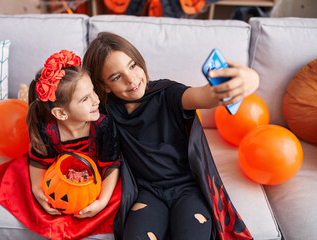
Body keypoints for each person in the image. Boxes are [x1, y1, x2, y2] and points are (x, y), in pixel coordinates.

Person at [83, 32, 259, 240]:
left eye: (132, 66)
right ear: (104, 86)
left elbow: (204, 96)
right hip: (147, 193)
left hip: (187, 189)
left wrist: (251, 78)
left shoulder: (168, 93)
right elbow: (65, 103)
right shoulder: (105, 112)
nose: (131, 80)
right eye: (116, 77)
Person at [0, 49, 122, 240]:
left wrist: (102, 201)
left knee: (121, 201)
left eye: (93, 92)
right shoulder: (48, 130)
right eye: (85, 99)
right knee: (33, 200)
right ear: (61, 114)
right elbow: (39, 162)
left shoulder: (103, 123)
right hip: (58, 175)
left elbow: (111, 164)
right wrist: (37, 190)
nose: (96, 100)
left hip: (97, 177)